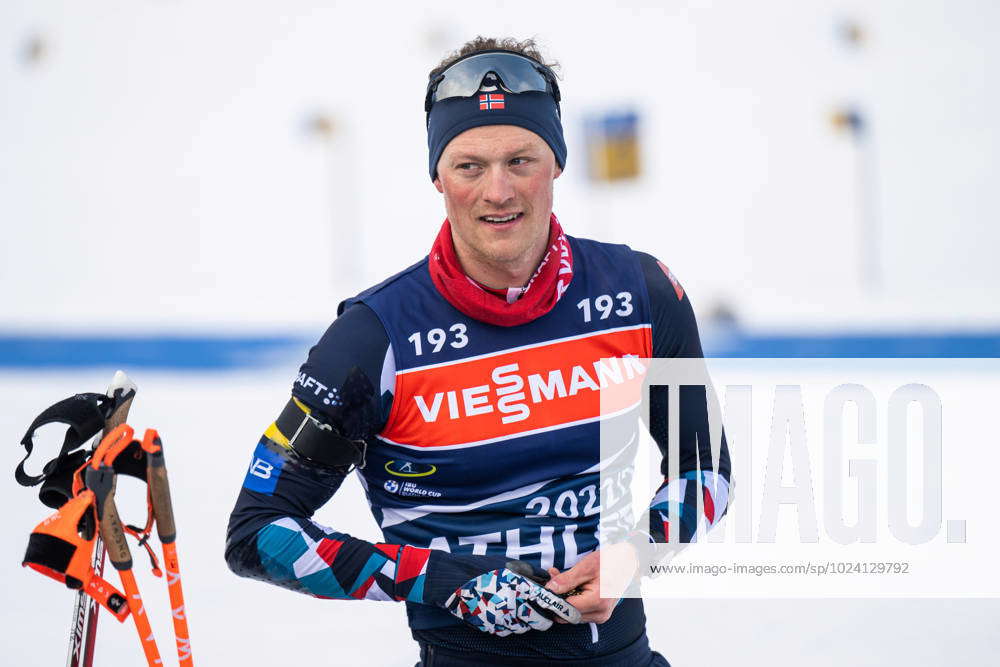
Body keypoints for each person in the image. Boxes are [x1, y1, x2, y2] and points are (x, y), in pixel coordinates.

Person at [226, 36, 731, 666]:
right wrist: (447, 583)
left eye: (521, 159)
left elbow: (706, 473)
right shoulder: (372, 338)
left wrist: (636, 551)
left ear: (558, 163)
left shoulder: (641, 292)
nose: (498, 191)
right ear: (437, 175)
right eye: (469, 166)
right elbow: (257, 534)